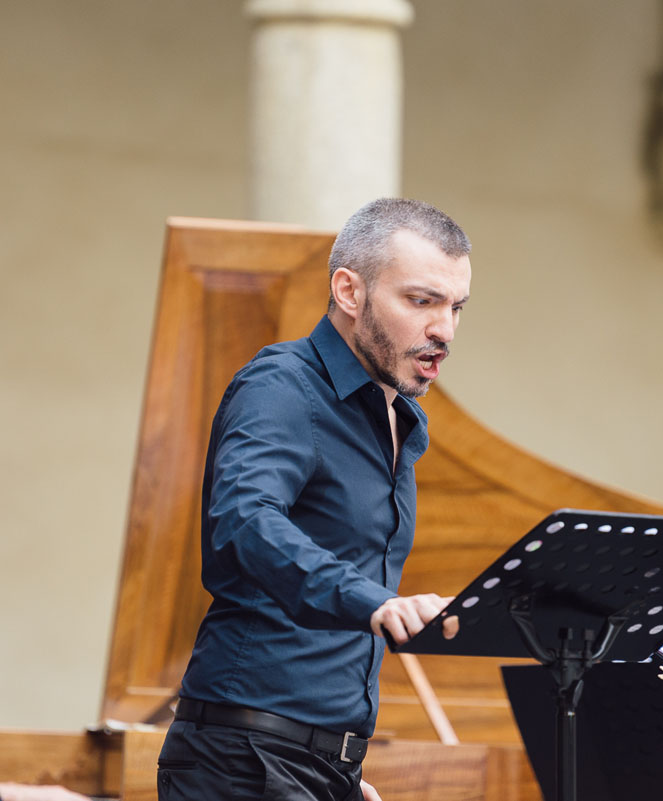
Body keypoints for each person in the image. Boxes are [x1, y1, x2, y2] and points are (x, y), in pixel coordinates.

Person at [157, 198, 472, 801]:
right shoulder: (283, 384)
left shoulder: (397, 419)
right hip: (244, 761)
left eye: (456, 307)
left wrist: (339, 770)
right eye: (421, 301)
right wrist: (374, 602)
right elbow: (244, 522)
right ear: (349, 293)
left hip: (317, 765)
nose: (445, 330)